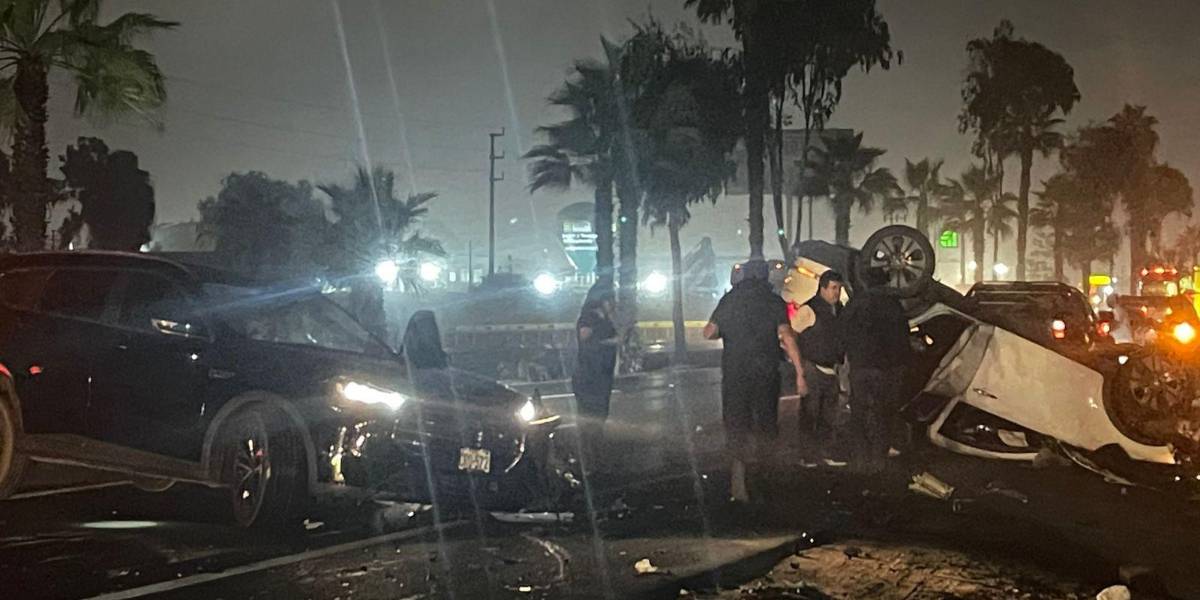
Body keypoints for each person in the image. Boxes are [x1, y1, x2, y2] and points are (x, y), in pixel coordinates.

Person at [705, 260, 805, 504]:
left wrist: (729, 332)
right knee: (766, 425)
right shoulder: (773, 301)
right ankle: (764, 480)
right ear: (765, 277)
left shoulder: (730, 300)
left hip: (734, 374)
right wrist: (800, 372)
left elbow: (708, 332)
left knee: (737, 426)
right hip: (765, 373)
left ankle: (737, 484)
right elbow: (787, 336)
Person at [840, 269, 912, 474]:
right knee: (883, 414)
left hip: (861, 367)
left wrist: (846, 357)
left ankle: (860, 459)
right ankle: (879, 460)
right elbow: (902, 338)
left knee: (859, 413)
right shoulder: (893, 306)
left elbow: (842, 332)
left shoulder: (855, 304)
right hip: (886, 369)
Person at [791, 270, 845, 466]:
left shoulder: (839, 309)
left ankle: (826, 452)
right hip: (813, 367)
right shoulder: (809, 310)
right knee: (810, 413)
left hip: (832, 369)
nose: (836, 293)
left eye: (839, 288)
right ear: (822, 288)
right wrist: (799, 368)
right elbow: (791, 335)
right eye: (833, 288)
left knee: (829, 414)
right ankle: (807, 456)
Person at [571, 284, 619, 475]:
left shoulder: (603, 318)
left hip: (602, 377)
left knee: (598, 420)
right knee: (589, 420)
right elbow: (585, 337)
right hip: (589, 377)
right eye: (611, 300)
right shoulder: (589, 317)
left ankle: (596, 460)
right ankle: (588, 463)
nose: (614, 304)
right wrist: (608, 340)